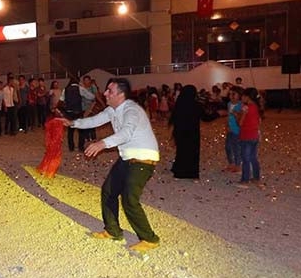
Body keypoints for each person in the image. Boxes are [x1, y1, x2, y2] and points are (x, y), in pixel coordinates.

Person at [61, 78, 160, 253]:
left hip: (143, 158)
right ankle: (113, 230)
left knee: (129, 199)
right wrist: (73, 123)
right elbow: (93, 121)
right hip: (127, 158)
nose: (105, 93)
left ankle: (149, 238)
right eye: (106, 90)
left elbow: (126, 133)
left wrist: (102, 144)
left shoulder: (131, 110)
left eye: (110, 91)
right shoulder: (112, 110)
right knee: (108, 191)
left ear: (121, 95)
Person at [168, 85, 202, 179]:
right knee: (193, 152)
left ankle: (179, 172)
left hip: (180, 132)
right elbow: (205, 117)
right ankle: (192, 173)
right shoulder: (196, 105)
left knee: (181, 151)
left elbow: (174, 119)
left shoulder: (179, 104)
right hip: (193, 133)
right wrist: (218, 114)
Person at [237, 87, 262, 186]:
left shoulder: (246, 107)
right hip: (254, 135)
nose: (241, 98)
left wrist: (238, 115)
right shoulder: (256, 106)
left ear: (247, 97)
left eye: (243, 96)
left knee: (245, 159)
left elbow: (240, 123)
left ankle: (245, 179)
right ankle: (256, 177)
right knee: (253, 158)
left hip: (246, 136)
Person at [223, 86, 243, 173]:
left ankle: (238, 165)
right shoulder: (229, 104)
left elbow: (241, 119)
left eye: (233, 94)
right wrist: (227, 125)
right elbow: (228, 116)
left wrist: (237, 115)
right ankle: (231, 163)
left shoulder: (241, 105)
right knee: (227, 147)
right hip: (230, 129)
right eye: (230, 94)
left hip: (237, 130)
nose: (231, 96)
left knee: (236, 148)